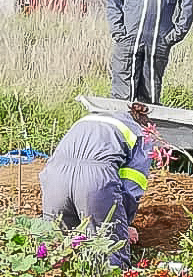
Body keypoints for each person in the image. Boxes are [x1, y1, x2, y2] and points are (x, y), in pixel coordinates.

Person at [39, 101, 154, 268]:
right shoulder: (141, 135)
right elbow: (131, 187)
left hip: (54, 177)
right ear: (145, 123)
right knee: (109, 250)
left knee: (56, 248)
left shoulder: (88, 119)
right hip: (95, 180)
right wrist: (123, 224)